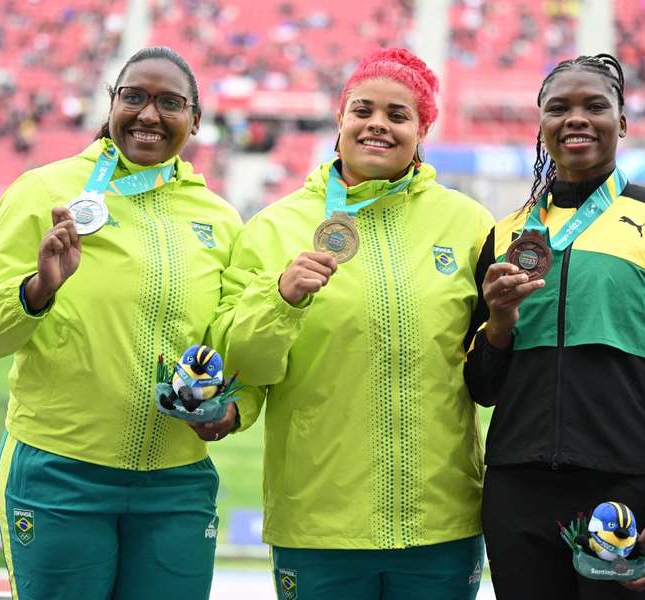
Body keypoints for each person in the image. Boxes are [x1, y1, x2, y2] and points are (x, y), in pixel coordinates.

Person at [0, 47, 246, 600]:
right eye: (133, 97)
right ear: (112, 103)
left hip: (176, 481)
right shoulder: (45, 191)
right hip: (60, 472)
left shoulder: (219, 219)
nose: (149, 115)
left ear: (196, 119)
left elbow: (234, 346)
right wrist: (37, 291)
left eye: (169, 102)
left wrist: (234, 409)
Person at [211, 48, 494, 600]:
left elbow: (494, 365)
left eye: (398, 115)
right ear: (340, 118)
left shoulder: (468, 224)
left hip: (441, 521)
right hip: (319, 521)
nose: (377, 125)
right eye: (363, 110)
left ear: (422, 130)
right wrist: (281, 298)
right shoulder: (275, 227)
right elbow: (241, 365)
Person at [464, 54, 645, 599]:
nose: (575, 118)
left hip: (626, 491)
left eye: (595, 106)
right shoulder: (506, 234)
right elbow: (482, 388)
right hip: (518, 490)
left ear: (622, 122)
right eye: (559, 108)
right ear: (541, 124)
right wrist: (500, 322)